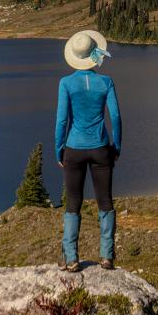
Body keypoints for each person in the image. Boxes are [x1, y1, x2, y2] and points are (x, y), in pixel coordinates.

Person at [55, 29, 122, 272]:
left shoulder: (66, 83)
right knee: (105, 201)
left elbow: (62, 120)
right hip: (101, 148)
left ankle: (71, 258)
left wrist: (58, 150)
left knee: (73, 202)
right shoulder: (105, 82)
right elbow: (114, 115)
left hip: (74, 148)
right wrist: (117, 146)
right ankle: (107, 257)